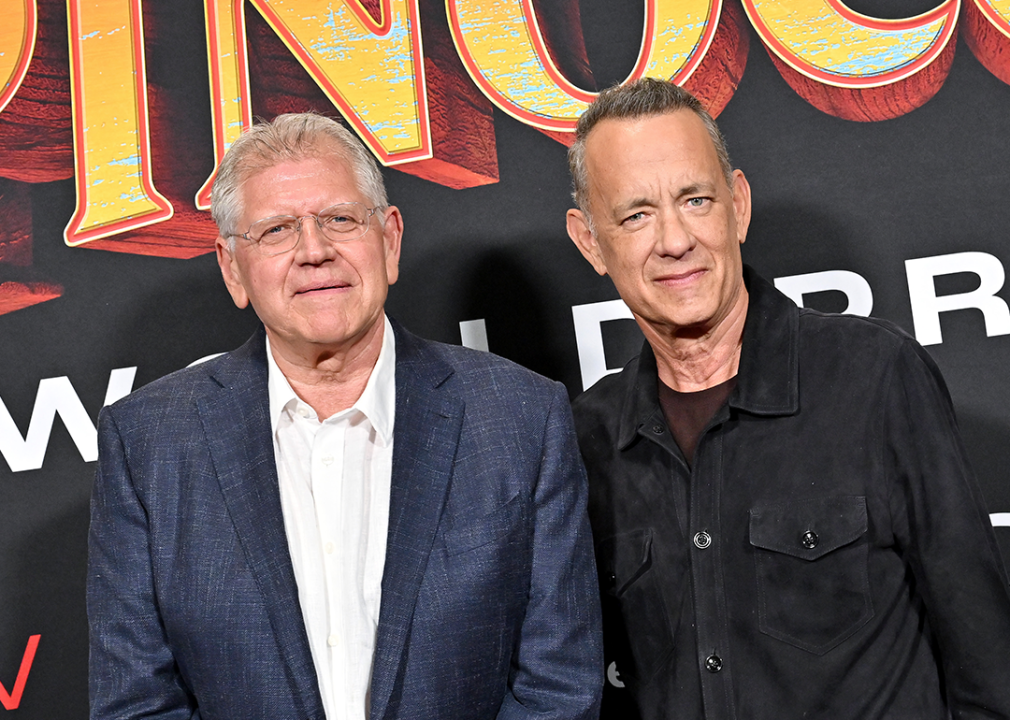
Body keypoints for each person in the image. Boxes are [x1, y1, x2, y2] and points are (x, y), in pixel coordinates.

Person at [88, 112, 603, 720]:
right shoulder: (147, 443)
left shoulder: (520, 418)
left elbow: (558, 689)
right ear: (232, 269)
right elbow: (136, 705)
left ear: (389, 240)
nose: (315, 251)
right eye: (277, 230)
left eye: (339, 219)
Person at [564, 77, 1010, 720]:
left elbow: (989, 667)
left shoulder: (874, 378)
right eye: (636, 215)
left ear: (738, 205)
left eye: (695, 199)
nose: (673, 240)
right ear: (589, 241)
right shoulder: (585, 442)